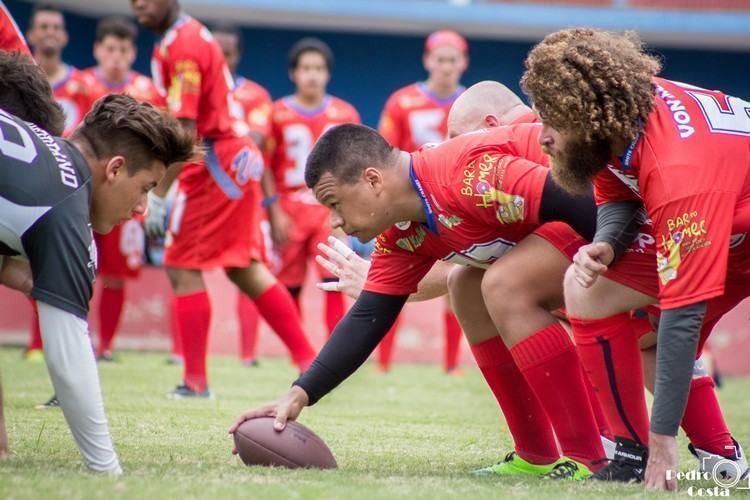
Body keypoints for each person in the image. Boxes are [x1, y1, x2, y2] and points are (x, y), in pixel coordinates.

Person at [314, 81, 746, 480]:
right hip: (705, 218)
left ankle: (608, 448)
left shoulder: (490, 163)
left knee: (533, 293)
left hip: (694, 219)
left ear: (488, 127)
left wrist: (661, 439)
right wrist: (387, 285)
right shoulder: (537, 143)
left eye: (458, 138)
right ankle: (713, 455)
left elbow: (579, 213)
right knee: (505, 290)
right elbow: (464, 265)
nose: (543, 137)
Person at [231, 122, 620, 480]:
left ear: (372, 180)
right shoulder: (401, 233)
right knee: (466, 284)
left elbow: (579, 198)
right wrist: (299, 394)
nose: (334, 221)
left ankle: (592, 456)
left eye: (335, 205)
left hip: (615, 219)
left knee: (503, 283)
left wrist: (625, 273)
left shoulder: (463, 176)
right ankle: (536, 455)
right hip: (582, 234)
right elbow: (369, 315)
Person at [521, 27, 750, 490]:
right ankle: (652, 456)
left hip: (722, 219)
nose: (542, 137)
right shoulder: (619, 115)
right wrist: (609, 241)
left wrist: (663, 441)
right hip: (724, 222)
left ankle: (663, 449)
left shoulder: (676, 170)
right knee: (587, 291)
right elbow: (617, 190)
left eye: (552, 122)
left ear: (588, 114)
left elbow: (683, 318)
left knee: (666, 333)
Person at [1, 78, 196, 472]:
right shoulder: (66, 204)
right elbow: (68, 359)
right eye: (146, 188)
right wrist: (106, 469)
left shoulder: (43, 148)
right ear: (115, 168)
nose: (142, 208)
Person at [131, 0, 317, 398]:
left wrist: (160, 192)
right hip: (233, 158)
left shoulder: (182, 44)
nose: (139, 5)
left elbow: (185, 127)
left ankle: (196, 383)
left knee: (181, 264)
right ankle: (309, 361)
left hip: (213, 160)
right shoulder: (185, 36)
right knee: (243, 266)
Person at [376, 30, 468, 374]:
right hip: (410, 204)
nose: (446, 67)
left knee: (456, 280)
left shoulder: (471, 104)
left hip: (457, 205)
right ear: (428, 60)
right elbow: (385, 154)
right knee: (394, 275)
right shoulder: (402, 102)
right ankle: (382, 362)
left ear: (463, 63)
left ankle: (451, 365)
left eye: (452, 59)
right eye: (440, 59)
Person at [265, 37, 360, 336]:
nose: (312, 75)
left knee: (333, 281)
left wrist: (346, 214)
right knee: (288, 283)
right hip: (289, 209)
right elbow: (265, 164)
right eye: (305, 68)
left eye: (318, 68)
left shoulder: (344, 115)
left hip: (328, 211)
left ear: (327, 73)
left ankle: (332, 352)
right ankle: (296, 351)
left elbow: (354, 169)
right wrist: (274, 211)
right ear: (293, 73)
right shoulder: (276, 113)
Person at [82, 16, 165, 361]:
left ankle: (105, 347)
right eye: (110, 48)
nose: (116, 55)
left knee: (115, 276)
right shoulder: (79, 84)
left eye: (123, 49)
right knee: (73, 267)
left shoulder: (147, 91)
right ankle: (57, 342)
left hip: (125, 195)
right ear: (98, 49)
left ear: (133, 53)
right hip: (82, 190)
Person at [23, 3, 96, 366]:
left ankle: (68, 343)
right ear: (32, 34)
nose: (50, 32)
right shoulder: (18, 78)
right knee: (25, 263)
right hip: (24, 183)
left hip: (72, 185)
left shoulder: (84, 84)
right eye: (43, 26)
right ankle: (38, 342)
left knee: (69, 264)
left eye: (56, 26)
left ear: (65, 36)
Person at [211, 23, 274, 367]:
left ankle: (248, 354)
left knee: (248, 268)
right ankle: (181, 355)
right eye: (214, 53)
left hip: (244, 199)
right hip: (200, 195)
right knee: (182, 267)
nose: (221, 60)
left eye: (228, 54)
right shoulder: (194, 91)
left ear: (237, 55)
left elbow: (257, 140)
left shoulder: (256, 96)